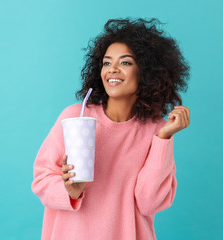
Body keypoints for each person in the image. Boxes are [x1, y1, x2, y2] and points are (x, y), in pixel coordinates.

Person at [31, 17, 190, 240]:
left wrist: (163, 137)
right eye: (106, 62)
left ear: (146, 71)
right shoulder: (75, 117)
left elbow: (149, 202)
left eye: (125, 62)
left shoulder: (157, 130)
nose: (112, 70)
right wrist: (70, 190)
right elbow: (42, 178)